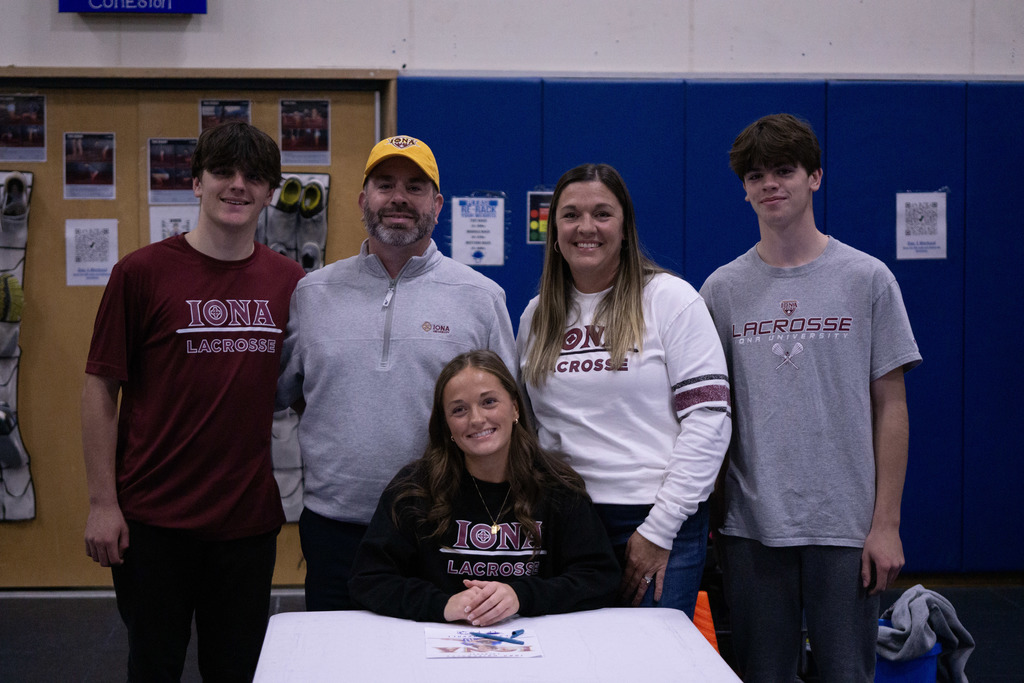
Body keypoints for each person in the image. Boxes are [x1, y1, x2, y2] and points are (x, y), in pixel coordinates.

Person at [699, 113, 922, 681]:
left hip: (845, 525)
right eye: (755, 175)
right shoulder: (722, 290)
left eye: (784, 170)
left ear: (814, 177)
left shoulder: (866, 279)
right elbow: (708, 415)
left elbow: (891, 406)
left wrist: (886, 524)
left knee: (846, 675)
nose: (770, 184)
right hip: (752, 528)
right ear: (744, 190)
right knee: (762, 674)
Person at [81, 122, 306, 682]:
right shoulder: (140, 273)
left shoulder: (290, 283)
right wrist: (102, 503)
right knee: (153, 667)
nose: (238, 186)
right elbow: (100, 388)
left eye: (254, 177)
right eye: (223, 173)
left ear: (270, 192)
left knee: (236, 672)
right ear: (196, 182)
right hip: (155, 521)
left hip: (246, 524)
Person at [277, 135, 518, 612]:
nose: (399, 198)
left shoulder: (480, 296)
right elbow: (285, 394)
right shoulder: (312, 293)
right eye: (385, 184)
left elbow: (511, 418)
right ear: (363, 199)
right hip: (334, 526)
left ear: (438, 203)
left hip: (442, 525)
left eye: (415, 186)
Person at [517, 163, 731, 619]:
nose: (586, 228)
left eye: (602, 214)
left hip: (655, 516)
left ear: (625, 226)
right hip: (566, 520)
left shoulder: (671, 300)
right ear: (554, 230)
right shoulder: (536, 317)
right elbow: (530, 430)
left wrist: (660, 528)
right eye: (571, 215)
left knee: (652, 662)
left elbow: (710, 420)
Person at [349, 350, 619, 623]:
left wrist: (521, 596)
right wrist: (442, 605)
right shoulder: (414, 490)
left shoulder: (559, 488)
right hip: (439, 646)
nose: (476, 419)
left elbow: (600, 577)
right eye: (459, 410)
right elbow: (369, 579)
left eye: (489, 402)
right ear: (446, 425)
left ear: (515, 407)